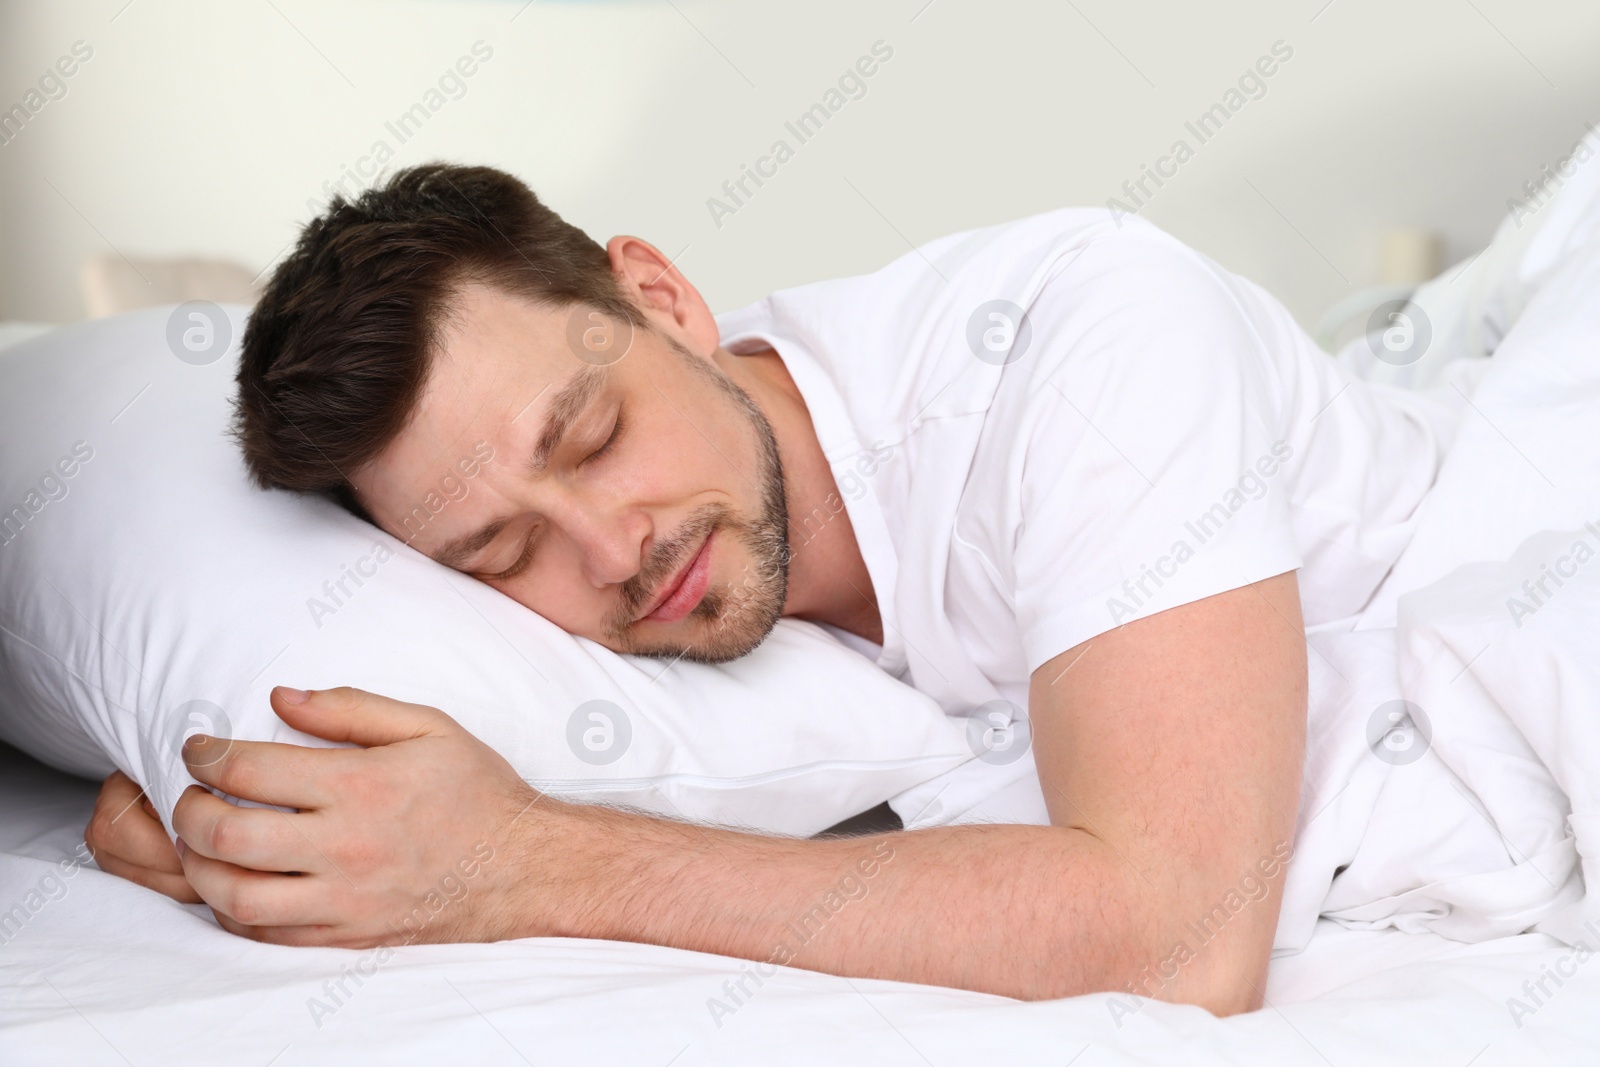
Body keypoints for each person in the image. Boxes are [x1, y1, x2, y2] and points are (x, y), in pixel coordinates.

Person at [84, 163, 1449, 1014]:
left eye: (593, 435)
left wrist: (519, 864)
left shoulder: (1092, 335)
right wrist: (244, 843)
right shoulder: (601, 635)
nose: (611, 552)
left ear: (664, 299)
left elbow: (1179, 939)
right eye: (501, 558)